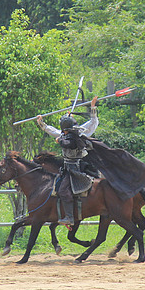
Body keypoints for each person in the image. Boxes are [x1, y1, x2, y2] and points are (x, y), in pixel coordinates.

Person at [36, 97, 99, 226]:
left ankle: (70, 217)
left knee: (63, 190)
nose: (62, 132)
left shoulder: (79, 133)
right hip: (66, 167)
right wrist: (42, 123)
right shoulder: (64, 134)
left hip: (76, 168)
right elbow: (54, 131)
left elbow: (93, 122)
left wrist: (93, 107)